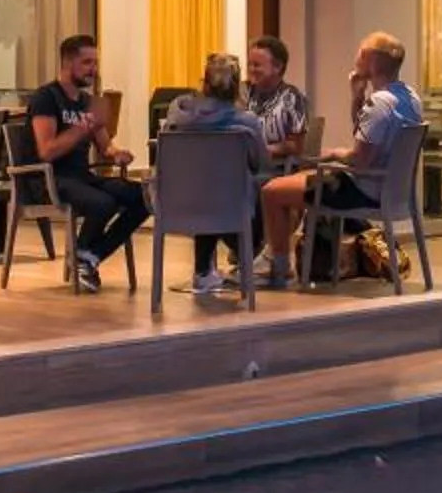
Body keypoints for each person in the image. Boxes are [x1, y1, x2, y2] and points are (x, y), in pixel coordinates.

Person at [257, 31, 421, 289]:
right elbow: (367, 138)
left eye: (361, 52)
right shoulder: (409, 97)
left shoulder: (379, 103)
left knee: (271, 191)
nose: (356, 56)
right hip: (390, 189)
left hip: (363, 189)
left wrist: (334, 153)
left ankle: (278, 266)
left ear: (373, 62)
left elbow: (360, 160)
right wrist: (356, 98)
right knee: (297, 181)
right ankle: (276, 255)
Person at [24, 34, 147, 291]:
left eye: (95, 63)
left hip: (82, 177)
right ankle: (84, 258)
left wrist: (117, 153)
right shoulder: (46, 98)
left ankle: (88, 256)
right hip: (48, 179)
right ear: (68, 63)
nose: (94, 69)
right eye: (87, 62)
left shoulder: (87, 102)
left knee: (144, 197)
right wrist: (84, 125)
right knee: (102, 203)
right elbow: (46, 151)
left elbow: (104, 146)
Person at [162, 52, 269, 299]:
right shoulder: (247, 123)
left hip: (178, 201)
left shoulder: (177, 113)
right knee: (237, 189)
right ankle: (249, 256)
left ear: (204, 82)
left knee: (204, 186)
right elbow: (262, 165)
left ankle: (204, 271)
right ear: (237, 87)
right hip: (230, 207)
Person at [243, 35, 310, 167]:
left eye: (257, 65)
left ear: (277, 67)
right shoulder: (242, 92)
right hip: (244, 166)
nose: (251, 70)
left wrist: (265, 150)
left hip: (277, 170)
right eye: (249, 64)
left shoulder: (292, 97)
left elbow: (297, 146)